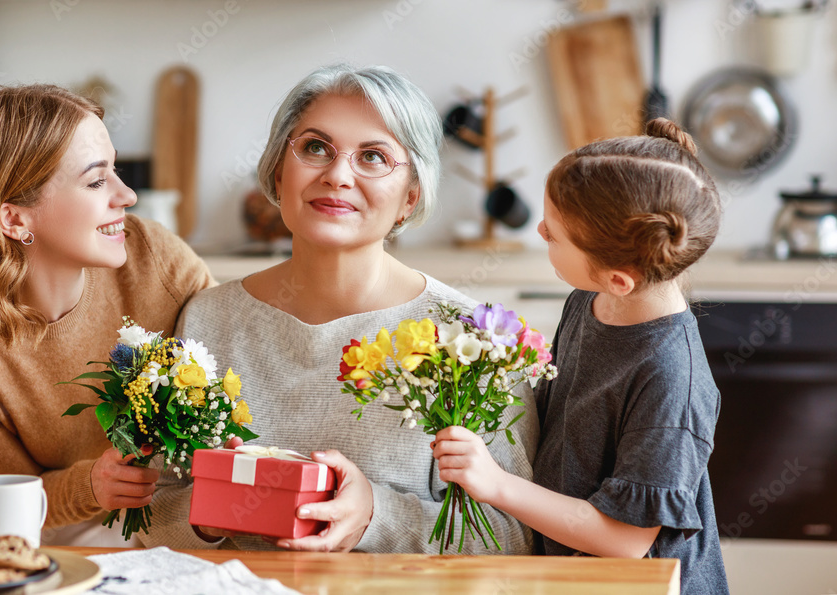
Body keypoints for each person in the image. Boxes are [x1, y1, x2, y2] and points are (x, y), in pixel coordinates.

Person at [142, 64, 536, 555]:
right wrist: (206, 516)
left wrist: (375, 515)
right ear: (277, 171)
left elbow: (516, 538)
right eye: (314, 148)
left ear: (410, 198)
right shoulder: (208, 320)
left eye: (373, 156)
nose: (337, 175)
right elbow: (148, 515)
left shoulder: (471, 338)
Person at [0, 84, 214, 546]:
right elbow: (11, 499)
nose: (126, 195)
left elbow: (235, 375)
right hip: (67, 547)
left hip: (187, 525)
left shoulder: (155, 257)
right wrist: (92, 484)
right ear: (14, 219)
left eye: (116, 171)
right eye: (95, 180)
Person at [432, 119, 728, 592]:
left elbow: (626, 539)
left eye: (554, 236)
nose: (540, 227)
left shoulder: (672, 380)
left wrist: (495, 484)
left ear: (619, 278)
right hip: (571, 572)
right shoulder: (591, 301)